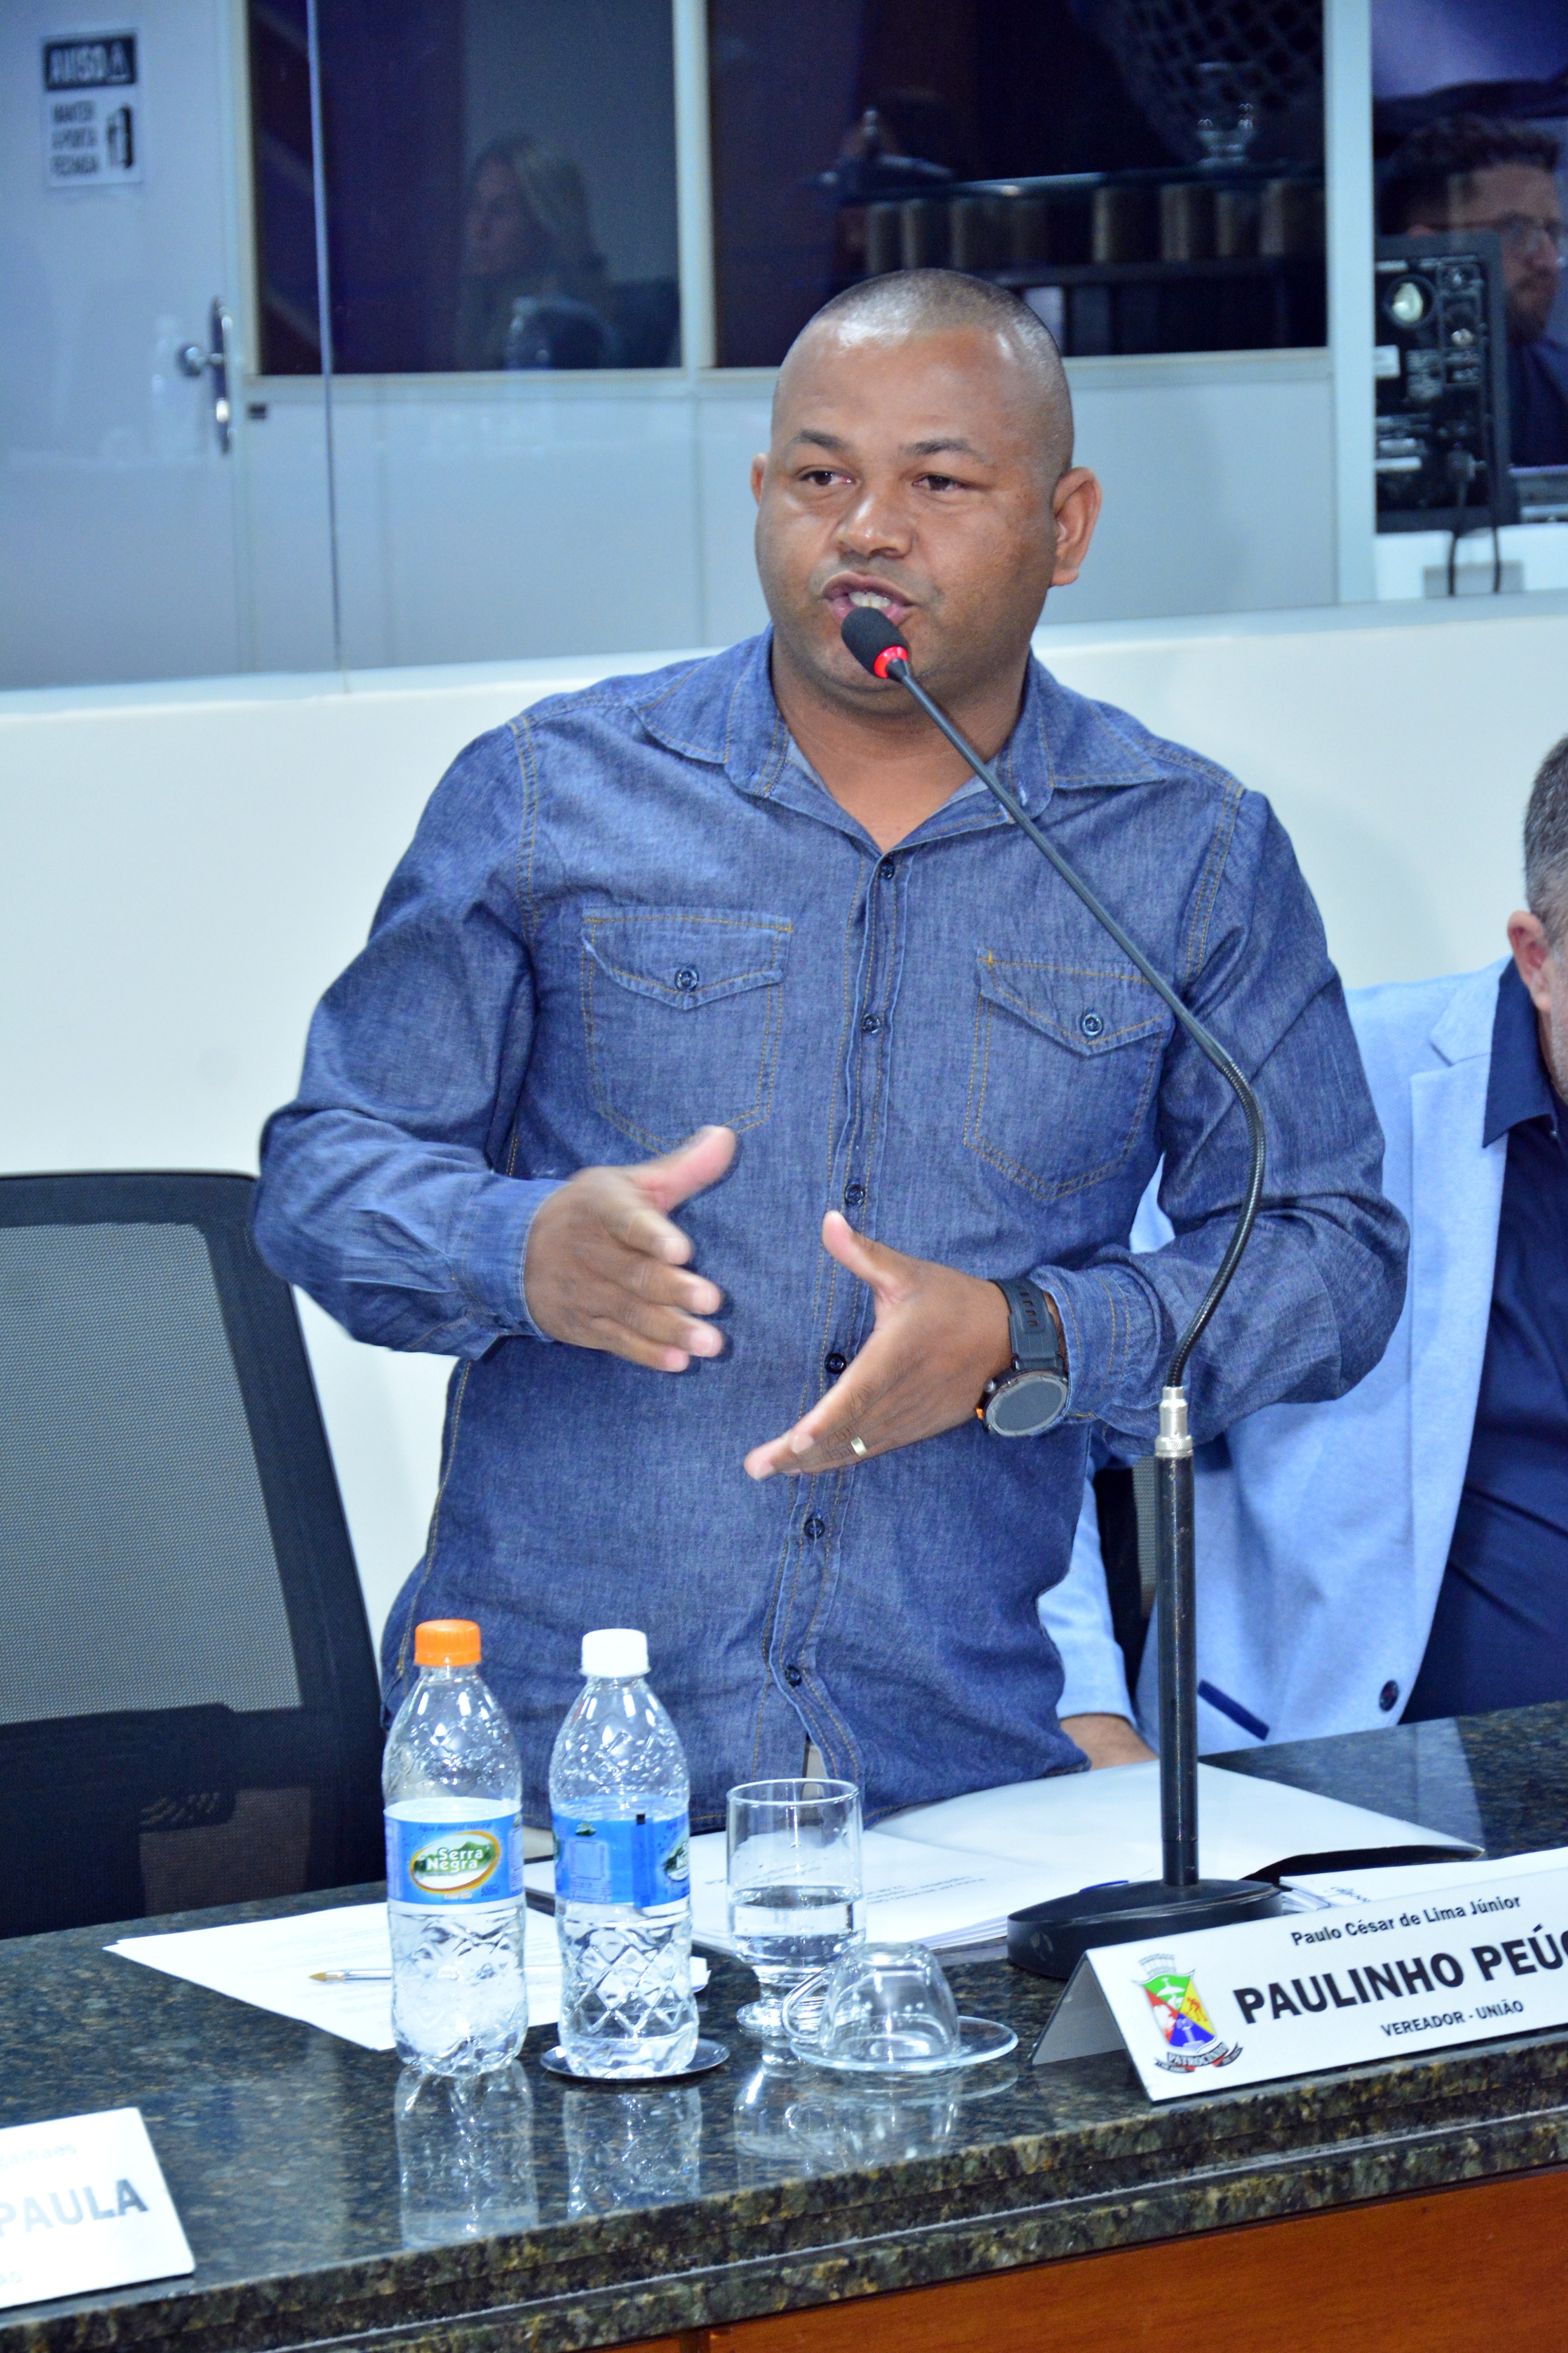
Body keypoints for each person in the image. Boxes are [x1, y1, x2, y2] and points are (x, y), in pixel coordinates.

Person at [253, 270, 1406, 1829]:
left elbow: (1330, 1252)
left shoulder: (1183, 853)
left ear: (1064, 527)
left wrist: (1031, 1336)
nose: (865, 529)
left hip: (949, 1770)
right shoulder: (548, 793)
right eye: (818, 477)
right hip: (552, 1766)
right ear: (759, 498)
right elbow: (324, 1173)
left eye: (937, 482)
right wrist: (516, 1249)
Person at [1046, 734, 1568, 1756]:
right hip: (1345, 1782)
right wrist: (1084, 1711)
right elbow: (1037, 1385)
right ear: (1536, 958)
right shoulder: (1319, 1087)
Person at [1381, 114, 1568, 468]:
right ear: (1425, 248)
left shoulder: (1559, 385)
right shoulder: (1348, 390)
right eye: (1516, 230)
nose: (1547, 261)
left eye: (1553, 233)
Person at [456, 135, 612, 371]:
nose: (480, 230)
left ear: (544, 224)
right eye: (476, 207)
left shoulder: (568, 328)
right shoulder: (467, 310)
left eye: (500, 211)